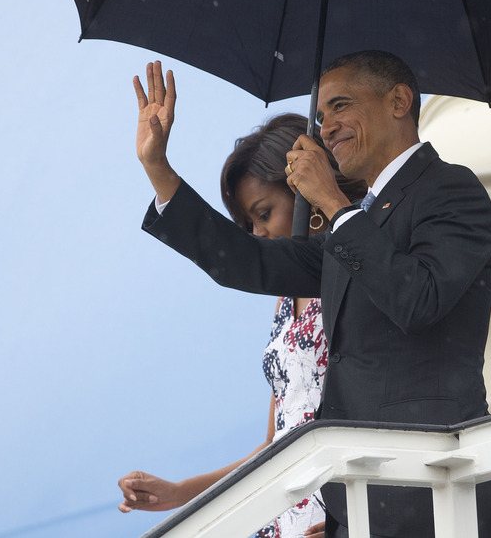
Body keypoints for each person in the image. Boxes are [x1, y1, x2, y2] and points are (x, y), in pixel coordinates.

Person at [134, 52, 491, 538]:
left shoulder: (451, 190)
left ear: (399, 100)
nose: (327, 126)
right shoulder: (356, 220)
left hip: (437, 495)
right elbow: (250, 261)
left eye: (341, 106)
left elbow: (417, 301)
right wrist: (159, 170)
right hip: (356, 503)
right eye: (321, 116)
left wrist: (335, 205)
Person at [118, 113, 365, 537]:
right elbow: (275, 444)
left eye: (263, 213)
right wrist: (179, 493)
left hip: (346, 509)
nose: (258, 233)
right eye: (248, 225)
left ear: (302, 191)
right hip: (287, 511)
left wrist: (352, 520)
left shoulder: (359, 269)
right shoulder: (284, 305)